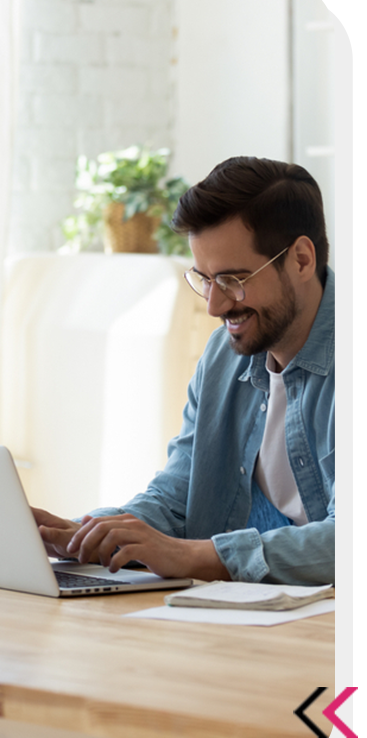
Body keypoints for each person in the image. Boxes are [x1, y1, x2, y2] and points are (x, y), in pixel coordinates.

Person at [32, 156, 334, 586]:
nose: (214, 305)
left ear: (301, 260)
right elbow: (180, 494)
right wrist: (87, 533)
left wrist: (196, 556)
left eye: (232, 280)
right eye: (205, 279)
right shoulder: (223, 356)